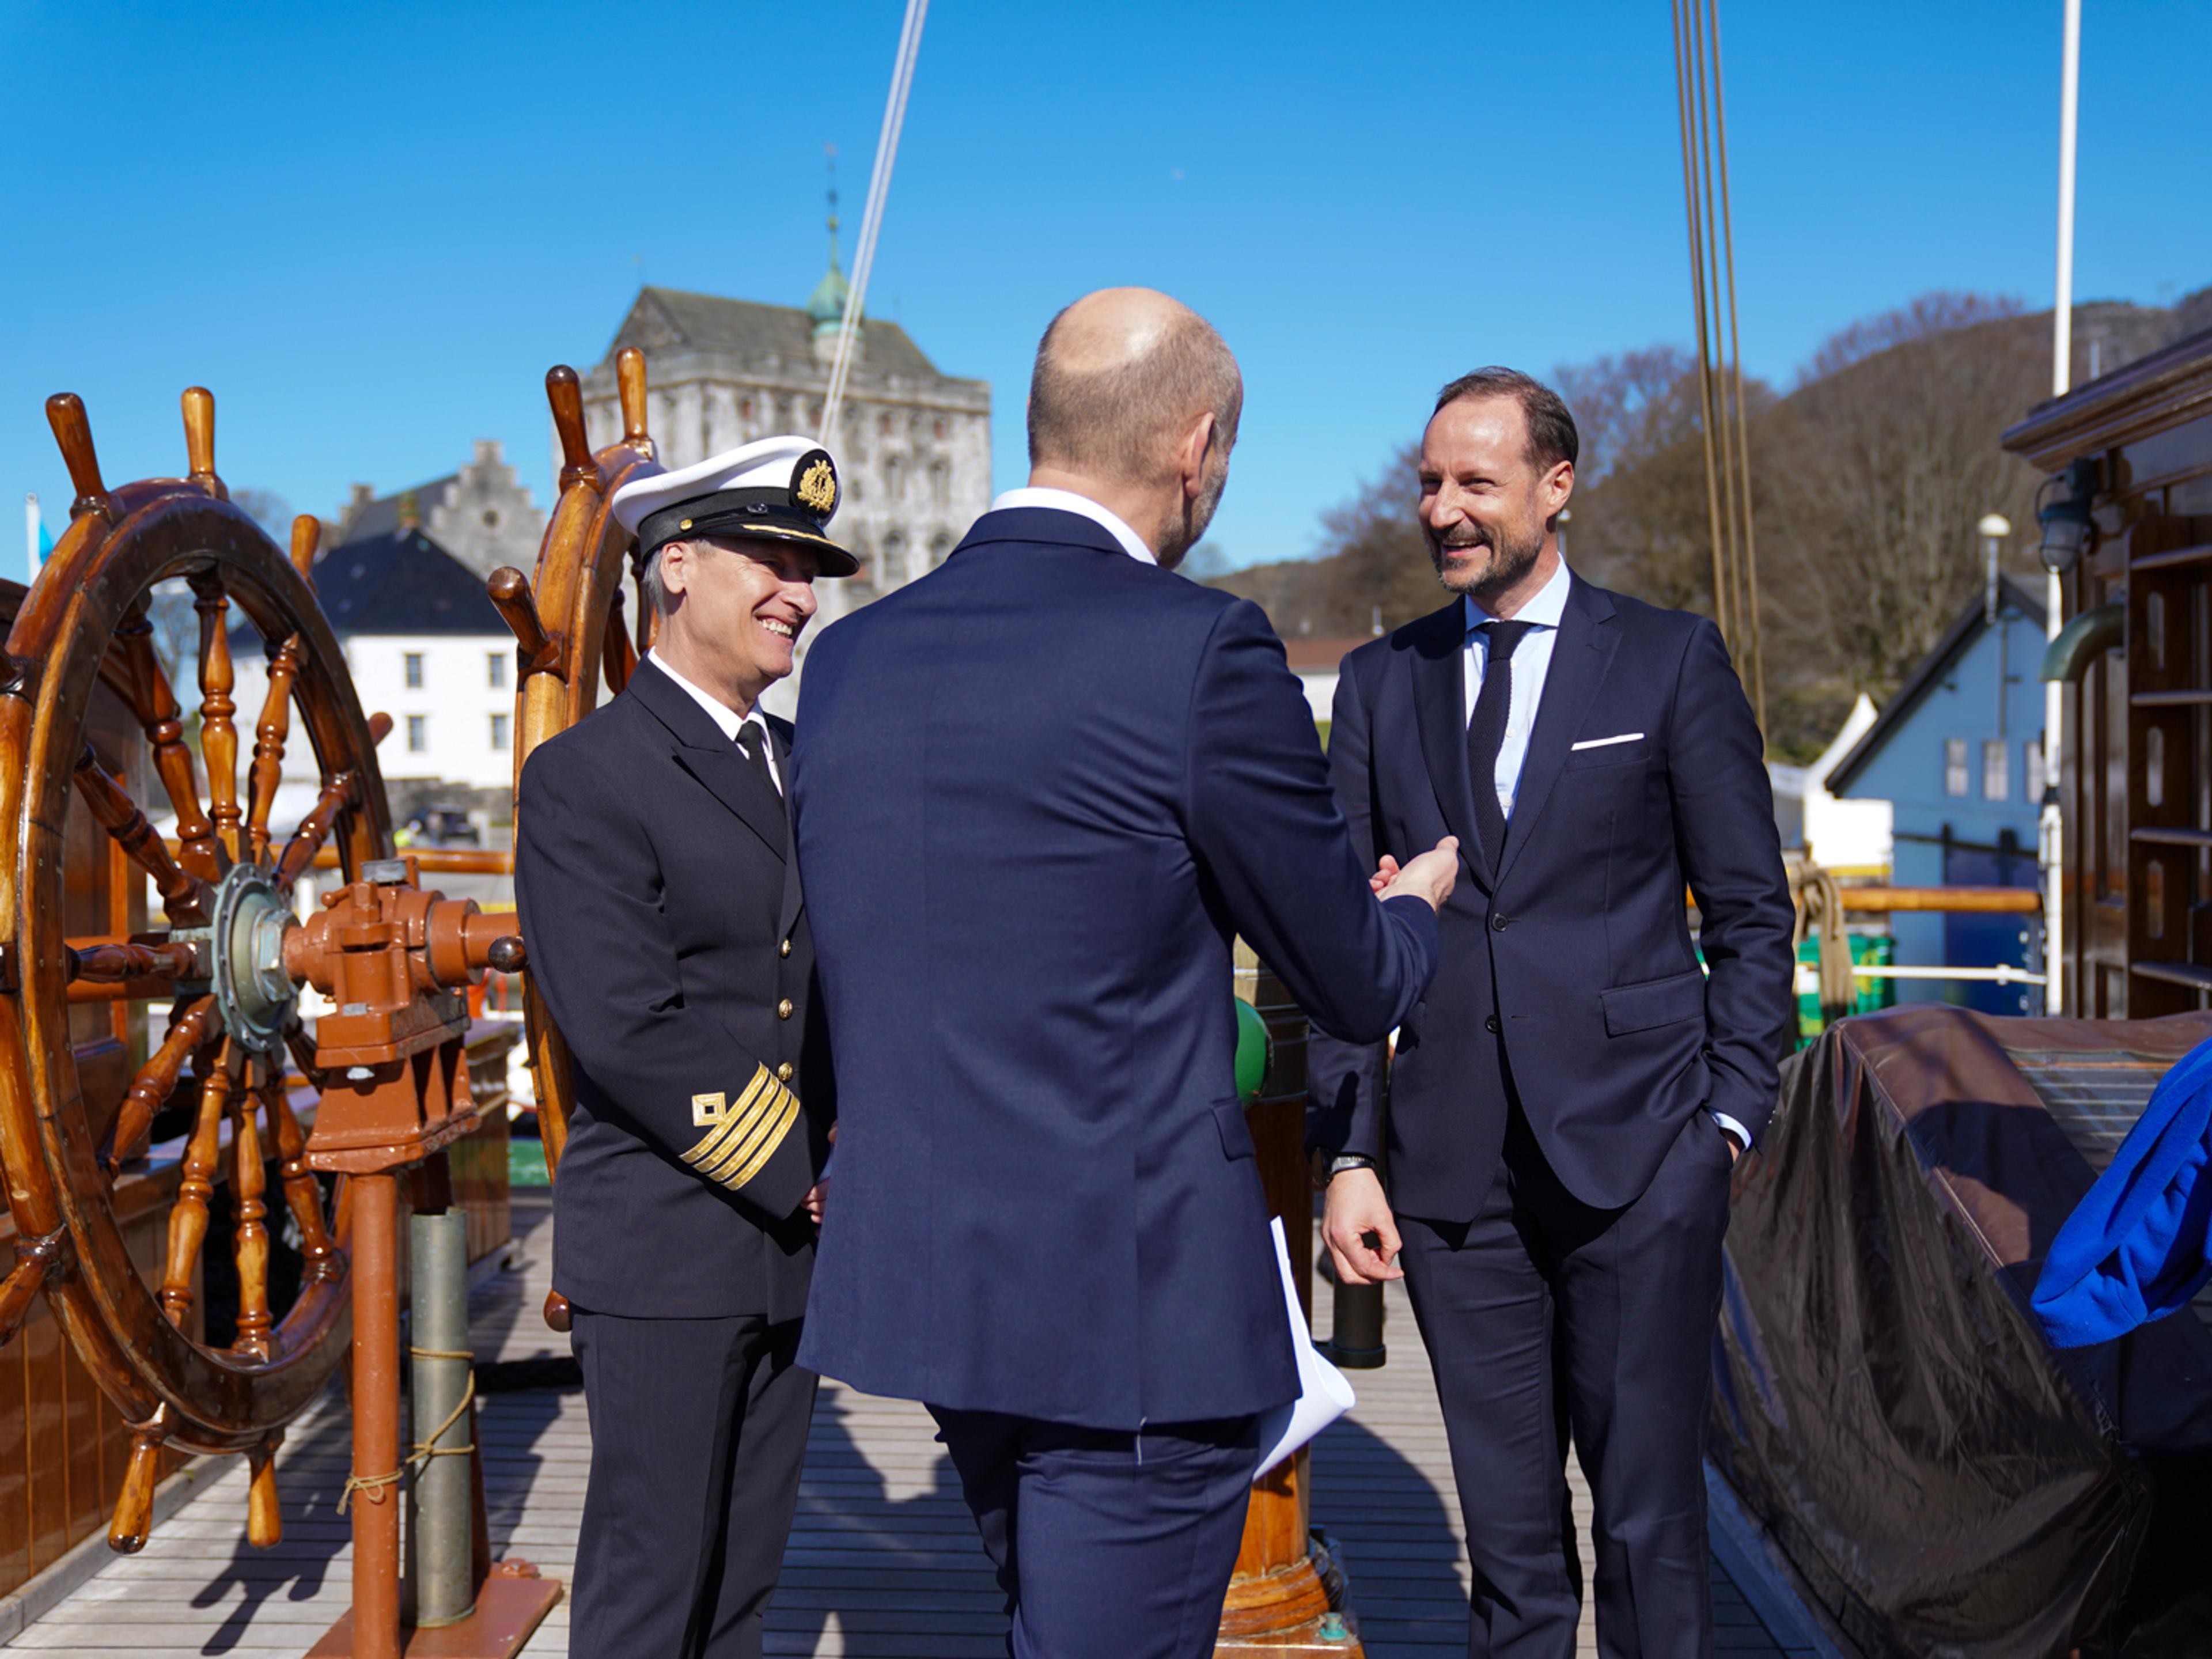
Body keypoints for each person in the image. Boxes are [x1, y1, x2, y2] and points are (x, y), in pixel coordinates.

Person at [788, 288, 1456, 1659]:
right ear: (1195, 446)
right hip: (1130, 1315)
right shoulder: (1199, 649)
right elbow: (1351, 981)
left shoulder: (849, 661)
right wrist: (1415, 912)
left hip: (936, 1292)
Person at [1308, 369, 1794, 1659]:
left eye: (1476, 482)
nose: (1443, 510)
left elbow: (1753, 912)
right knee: (1510, 1550)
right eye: (1429, 483)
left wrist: (1728, 1123)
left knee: (1649, 1527)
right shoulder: (1378, 682)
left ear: (1557, 486)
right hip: (1451, 1179)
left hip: (1645, 1158)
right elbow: (1344, 949)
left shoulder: (1670, 659)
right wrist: (1349, 1156)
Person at [513, 435, 855, 1659]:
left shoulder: (810, 768)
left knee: (743, 1596)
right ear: (674, 567)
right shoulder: (585, 777)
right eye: (771, 561)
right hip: (667, 1247)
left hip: (797, 1251)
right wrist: (802, 1165)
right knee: (652, 1592)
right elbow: (626, 1023)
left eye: (808, 572)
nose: (798, 595)